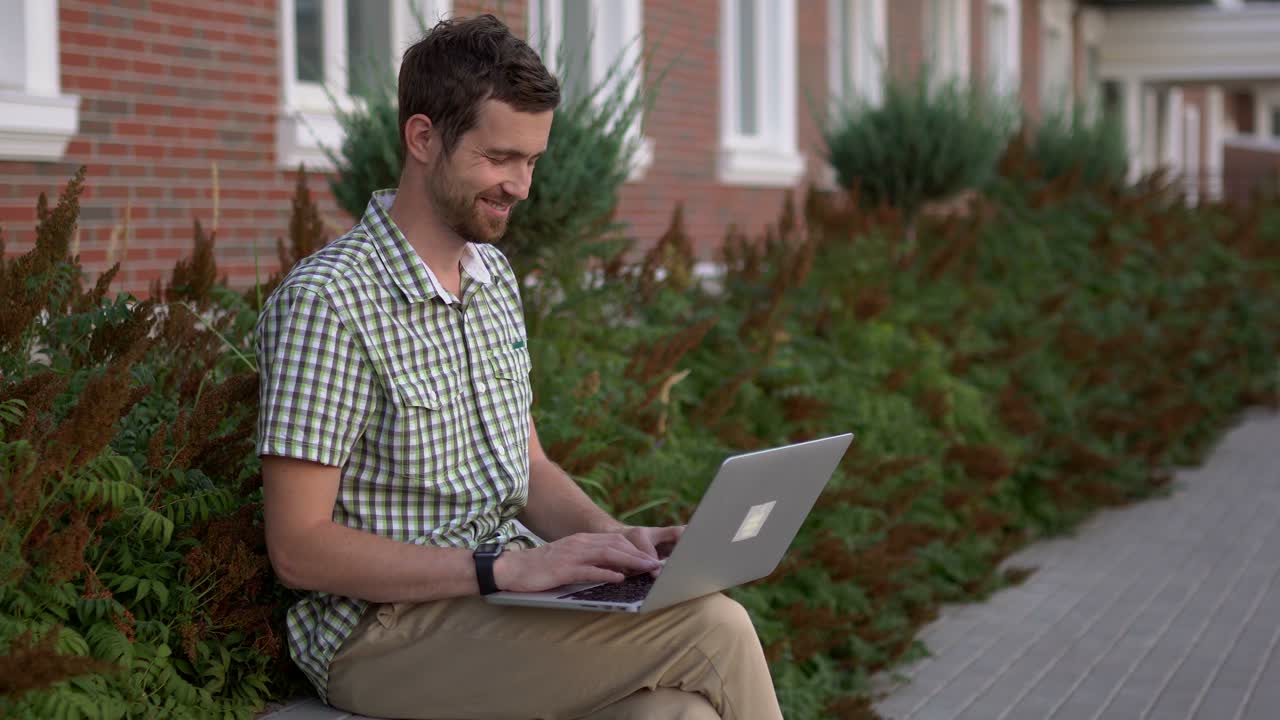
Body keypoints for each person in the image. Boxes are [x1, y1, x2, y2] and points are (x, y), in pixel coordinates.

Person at [255, 14, 783, 720]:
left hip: (499, 603)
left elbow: (528, 468)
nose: (521, 186)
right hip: (380, 634)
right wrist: (501, 568)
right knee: (714, 627)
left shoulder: (494, 279)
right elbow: (299, 548)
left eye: (532, 161)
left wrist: (617, 542)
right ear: (423, 138)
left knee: (675, 716)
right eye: (501, 157)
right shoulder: (329, 302)